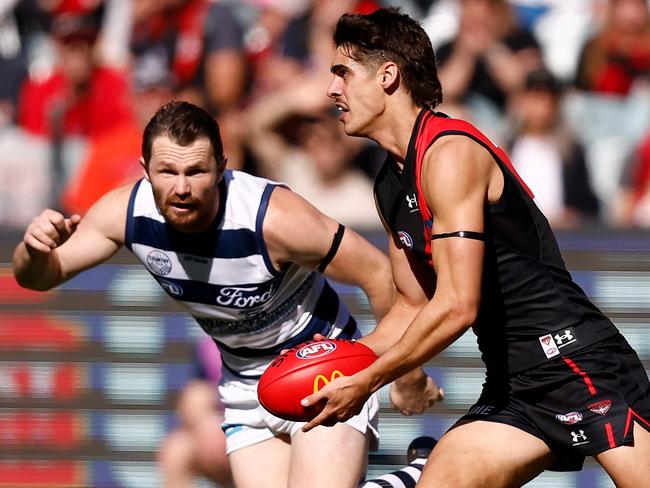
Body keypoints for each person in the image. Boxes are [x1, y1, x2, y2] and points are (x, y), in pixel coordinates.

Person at [301, 8, 650, 488]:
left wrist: (370, 380)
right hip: (515, 384)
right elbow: (411, 305)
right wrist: (343, 363)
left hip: (578, 362)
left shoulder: (450, 154)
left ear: (387, 76)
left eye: (342, 72)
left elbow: (457, 305)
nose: (331, 89)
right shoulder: (388, 183)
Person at [12, 100, 441, 488]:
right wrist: (32, 250)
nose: (181, 187)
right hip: (244, 386)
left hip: (321, 368)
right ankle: (417, 476)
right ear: (144, 169)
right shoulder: (125, 214)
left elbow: (380, 276)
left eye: (196, 171)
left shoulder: (272, 217)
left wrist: (404, 375)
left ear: (221, 167)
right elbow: (40, 276)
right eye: (167, 172)